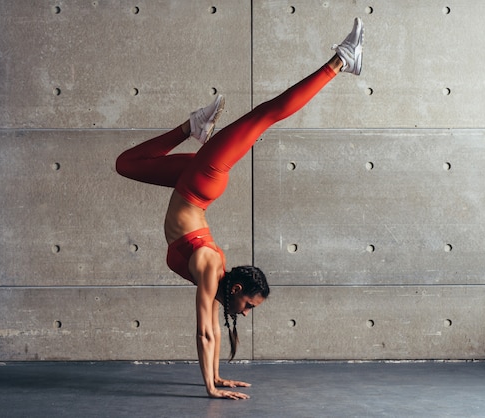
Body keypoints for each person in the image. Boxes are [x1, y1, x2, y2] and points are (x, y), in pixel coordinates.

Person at [116, 17, 364, 400]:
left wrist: (216, 382)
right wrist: (210, 387)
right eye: (249, 305)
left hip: (193, 184)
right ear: (236, 287)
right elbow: (205, 332)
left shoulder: (212, 278)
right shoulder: (209, 267)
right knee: (264, 115)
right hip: (201, 180)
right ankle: (341, 62)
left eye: (248, 308)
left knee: (126, 165)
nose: (246, 313)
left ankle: (192, 128)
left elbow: (209, 331)